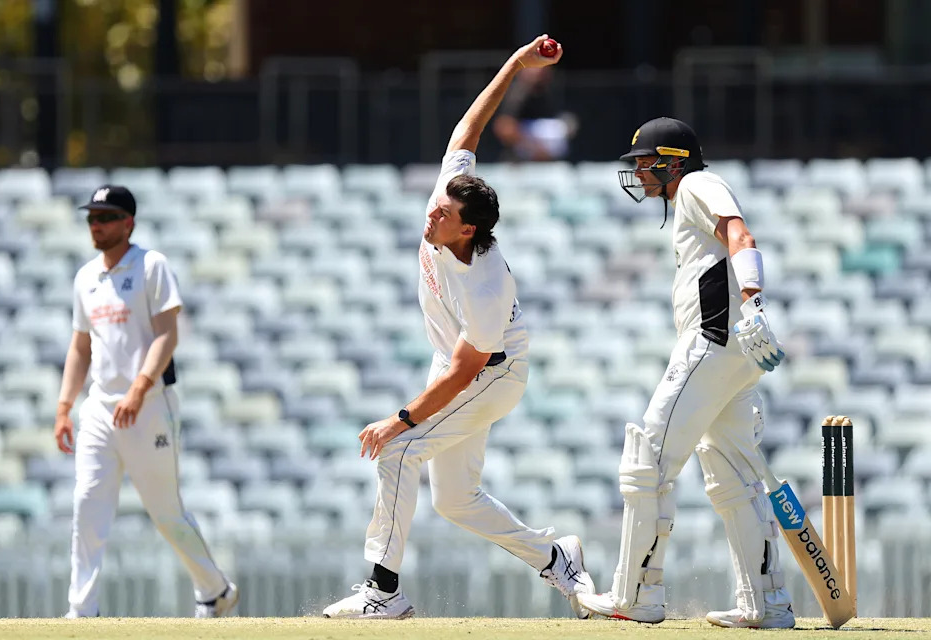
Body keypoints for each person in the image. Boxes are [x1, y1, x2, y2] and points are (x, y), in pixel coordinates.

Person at [321, 35, 594, 620]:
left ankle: (383, 591)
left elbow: (469, 371)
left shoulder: (489, 286)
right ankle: (555, 558)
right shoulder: (451, 198)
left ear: (467, 230)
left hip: (493, 375)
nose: (432, 212)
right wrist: (516, 66)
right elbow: (468, 129)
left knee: (398, 452)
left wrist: (398, 419)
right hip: (454, 365)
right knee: (455, 500)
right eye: (436, 204)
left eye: (443, 214)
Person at [575, 117, 795, 629]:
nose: (640, 172)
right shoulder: (690, 195)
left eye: (647, 162)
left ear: (675, 161)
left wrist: (753, 303)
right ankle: (766, 605)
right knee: (732, 475)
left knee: (647, 459)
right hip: (733, 353)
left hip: (714, 342)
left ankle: (636, 597)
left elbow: (741, 235)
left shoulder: (697, 183)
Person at [53, 185, 238, 618]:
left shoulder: (151, 265)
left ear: (127, 222)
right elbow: (81, 347)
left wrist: (138, 388)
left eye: (105, 217)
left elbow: (167, 334)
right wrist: (64, 407)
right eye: (91, 218)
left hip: (150, 404)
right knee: (86, 503)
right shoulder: (86, 277)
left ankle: (215, 591)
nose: (95, 225)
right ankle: (82, 610)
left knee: (166, 513)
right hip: (100, 408)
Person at [491, 65, 577, 161]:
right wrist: (533, 148)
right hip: (519, 163)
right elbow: (504, 126)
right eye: (537, 67)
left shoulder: (550, 92)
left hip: (548, 161)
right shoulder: (517, 94)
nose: (541, 71)